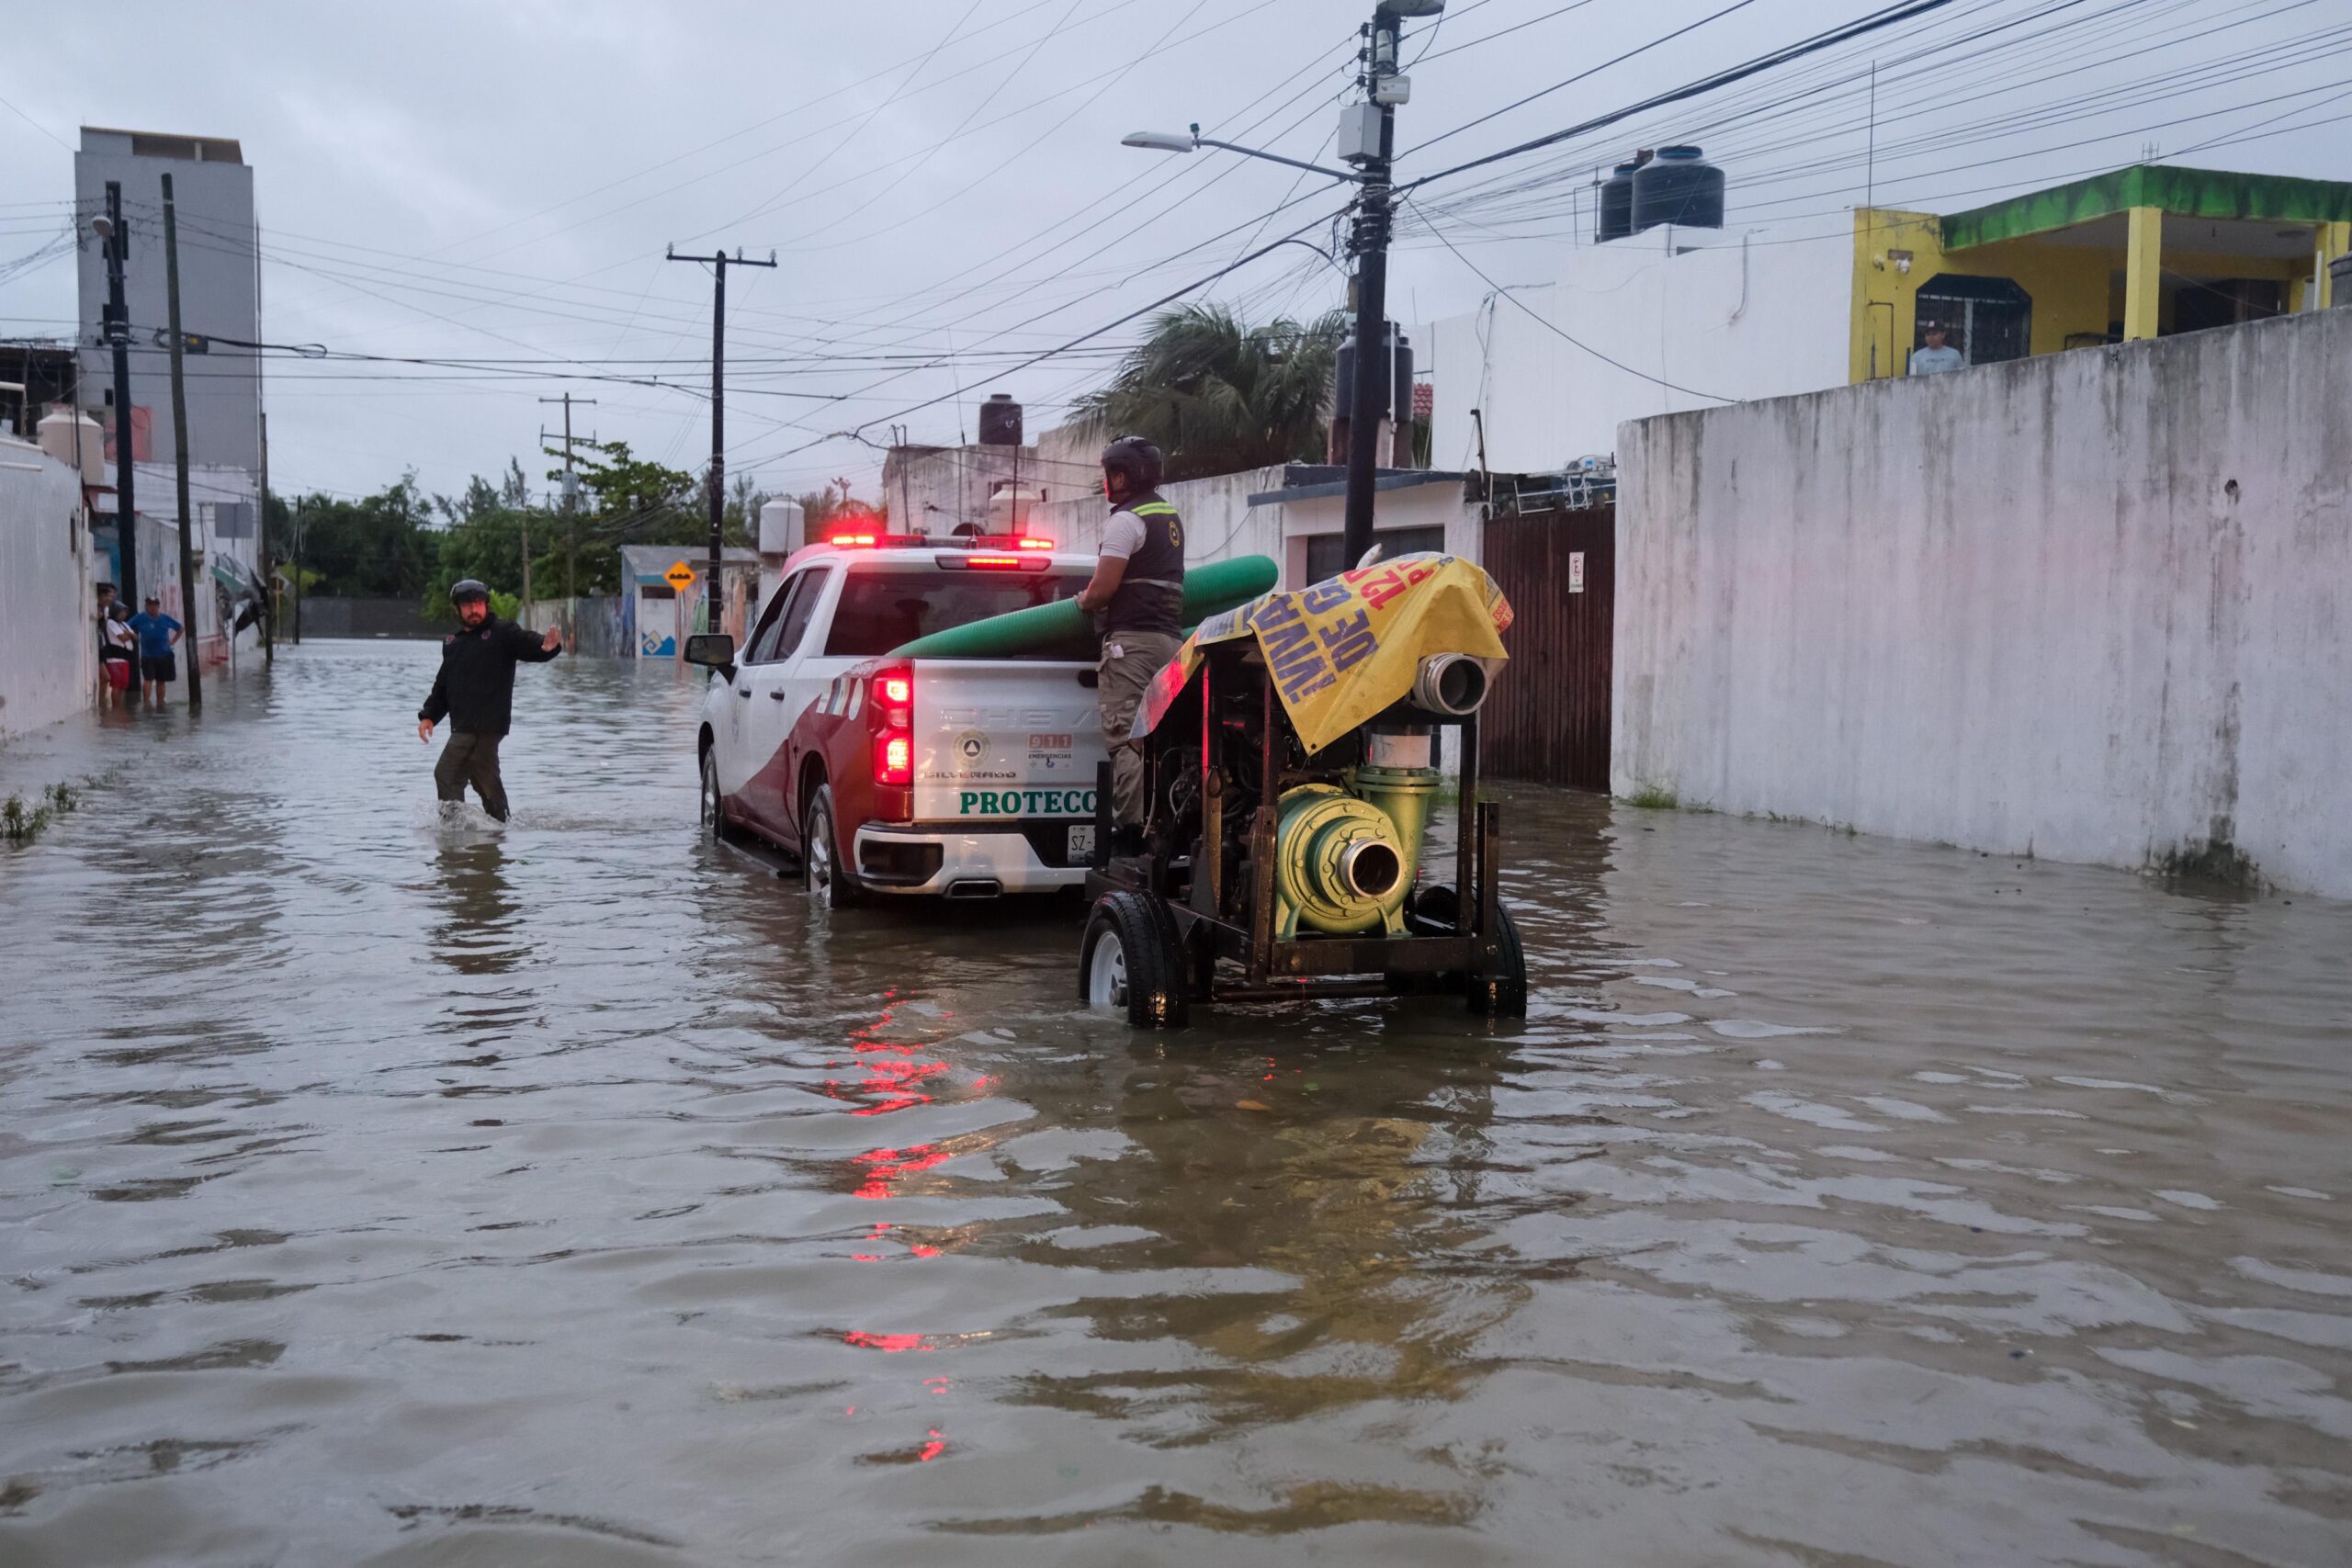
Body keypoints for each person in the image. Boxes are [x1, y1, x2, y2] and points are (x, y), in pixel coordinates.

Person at [1074, 435, 1184, 848]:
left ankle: (1133, 832)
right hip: (1167, 641)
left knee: (1127, 738)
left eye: (1107, 475)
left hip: (1131, 645)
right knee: (1159, 738)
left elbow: (1102, 590)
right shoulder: (1168, 516)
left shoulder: (1126, 519)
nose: (1106, 483)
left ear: (1120, 476)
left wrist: (1082, 602)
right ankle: (1165, 824)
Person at [416, 580, 562, 822]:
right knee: (462, 775)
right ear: (457, 609)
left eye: (478, 604)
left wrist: (545, 647)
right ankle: (473, 826)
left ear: (486, 605)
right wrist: (429, 715)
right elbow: (443, 685)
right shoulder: (453, 643)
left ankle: (485, 826)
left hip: (489, 724)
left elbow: (527, 643)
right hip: (463, 725)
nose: (474, 610)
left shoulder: (502, 632)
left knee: (465, 772)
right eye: (467, 605)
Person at [126, 593, 184, 705]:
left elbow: (180, 628)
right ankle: (146, 703)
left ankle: (160, 703)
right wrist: (134, 636)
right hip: (147, 655)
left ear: (158, 606)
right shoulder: (140, 617)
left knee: (161, 681)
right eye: (149, 605)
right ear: (146, 606)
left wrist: (173, 641)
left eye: (154, 605)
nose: (152, 607)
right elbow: (127, 626)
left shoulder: (165, 618)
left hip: (164, 654)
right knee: (148, 679)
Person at [95, 583, 135, 708]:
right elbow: (124, 637)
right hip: (107, 653)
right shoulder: (105, 616)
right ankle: (103, 707)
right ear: (99, 596)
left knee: (119, 684)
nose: (110, 598)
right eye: (107, 595)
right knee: (109, 680)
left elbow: (134, 636)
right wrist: (130, 635)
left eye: (112, 595)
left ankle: (106, 708)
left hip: (103, 649)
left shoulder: (105, 611)